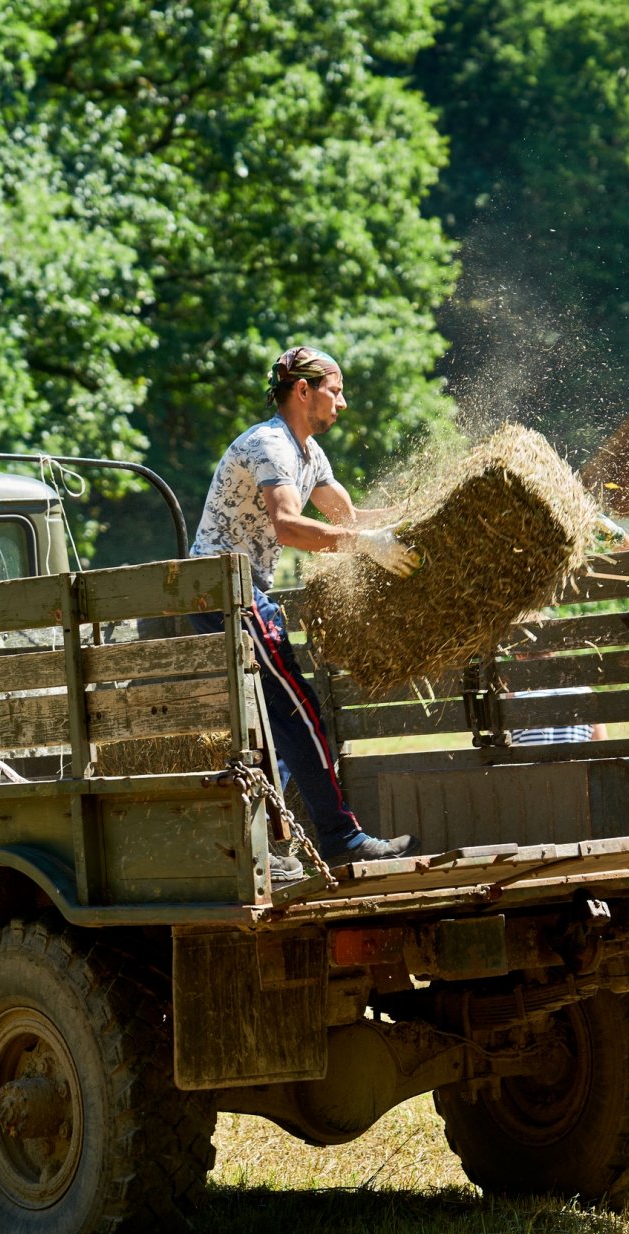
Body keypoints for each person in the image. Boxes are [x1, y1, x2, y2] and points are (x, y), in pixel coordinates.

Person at [188, 346, 425, 880]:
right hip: (224, 593)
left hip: (243, 593)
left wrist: (422, 511)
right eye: (334, 390)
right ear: (303, 390)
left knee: (279, 724)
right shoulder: (271, 443)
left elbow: (353, 517)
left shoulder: (309, 454)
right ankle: (341, 838)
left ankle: (268, 839)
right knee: (301, 711)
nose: (342, 401)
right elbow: (290, 527)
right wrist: (365, 545)